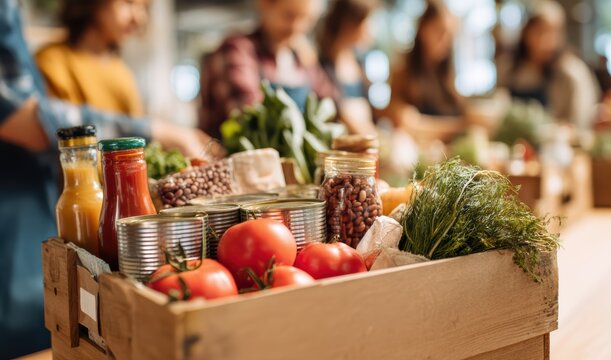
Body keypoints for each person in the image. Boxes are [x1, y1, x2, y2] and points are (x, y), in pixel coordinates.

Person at [0, 1, 211, 356]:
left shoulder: (117, 69)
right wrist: (157, 130)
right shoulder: (55, 59)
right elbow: (22, 119)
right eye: (129, 2)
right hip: (18, 209)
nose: (138, 17)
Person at [199, 0, 335, 139]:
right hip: (231, 158)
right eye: (288, 15)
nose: (297, 27)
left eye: (307, 19)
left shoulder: (302, 58)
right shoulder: (238, 50)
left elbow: (331, 103)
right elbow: (249, 114)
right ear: (264, 4)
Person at [497, 1, 599, 132]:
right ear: (526, 32)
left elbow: (581, 121)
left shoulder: (572, 73)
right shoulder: (510, 69)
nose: (546, 41)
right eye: (539, 32)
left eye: (553, 33)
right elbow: (499, 108)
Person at [35, 0, 147, 116]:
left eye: (143, 7)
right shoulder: (51, 62)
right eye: (128, 3)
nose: (138, 19)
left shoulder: (123, 74)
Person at [384, 0, 466, 142]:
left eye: (450, 35)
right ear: (423, 29)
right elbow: (406, 124)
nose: (446, 41)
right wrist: (460, 126)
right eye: (440, 32)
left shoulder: (447, 77)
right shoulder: (403, 73)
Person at [316, 0, 377, 135]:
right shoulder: (322, 65)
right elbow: (337, 111)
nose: (370, 28)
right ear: (349, 24)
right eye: (366, 21)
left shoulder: (359, 62)